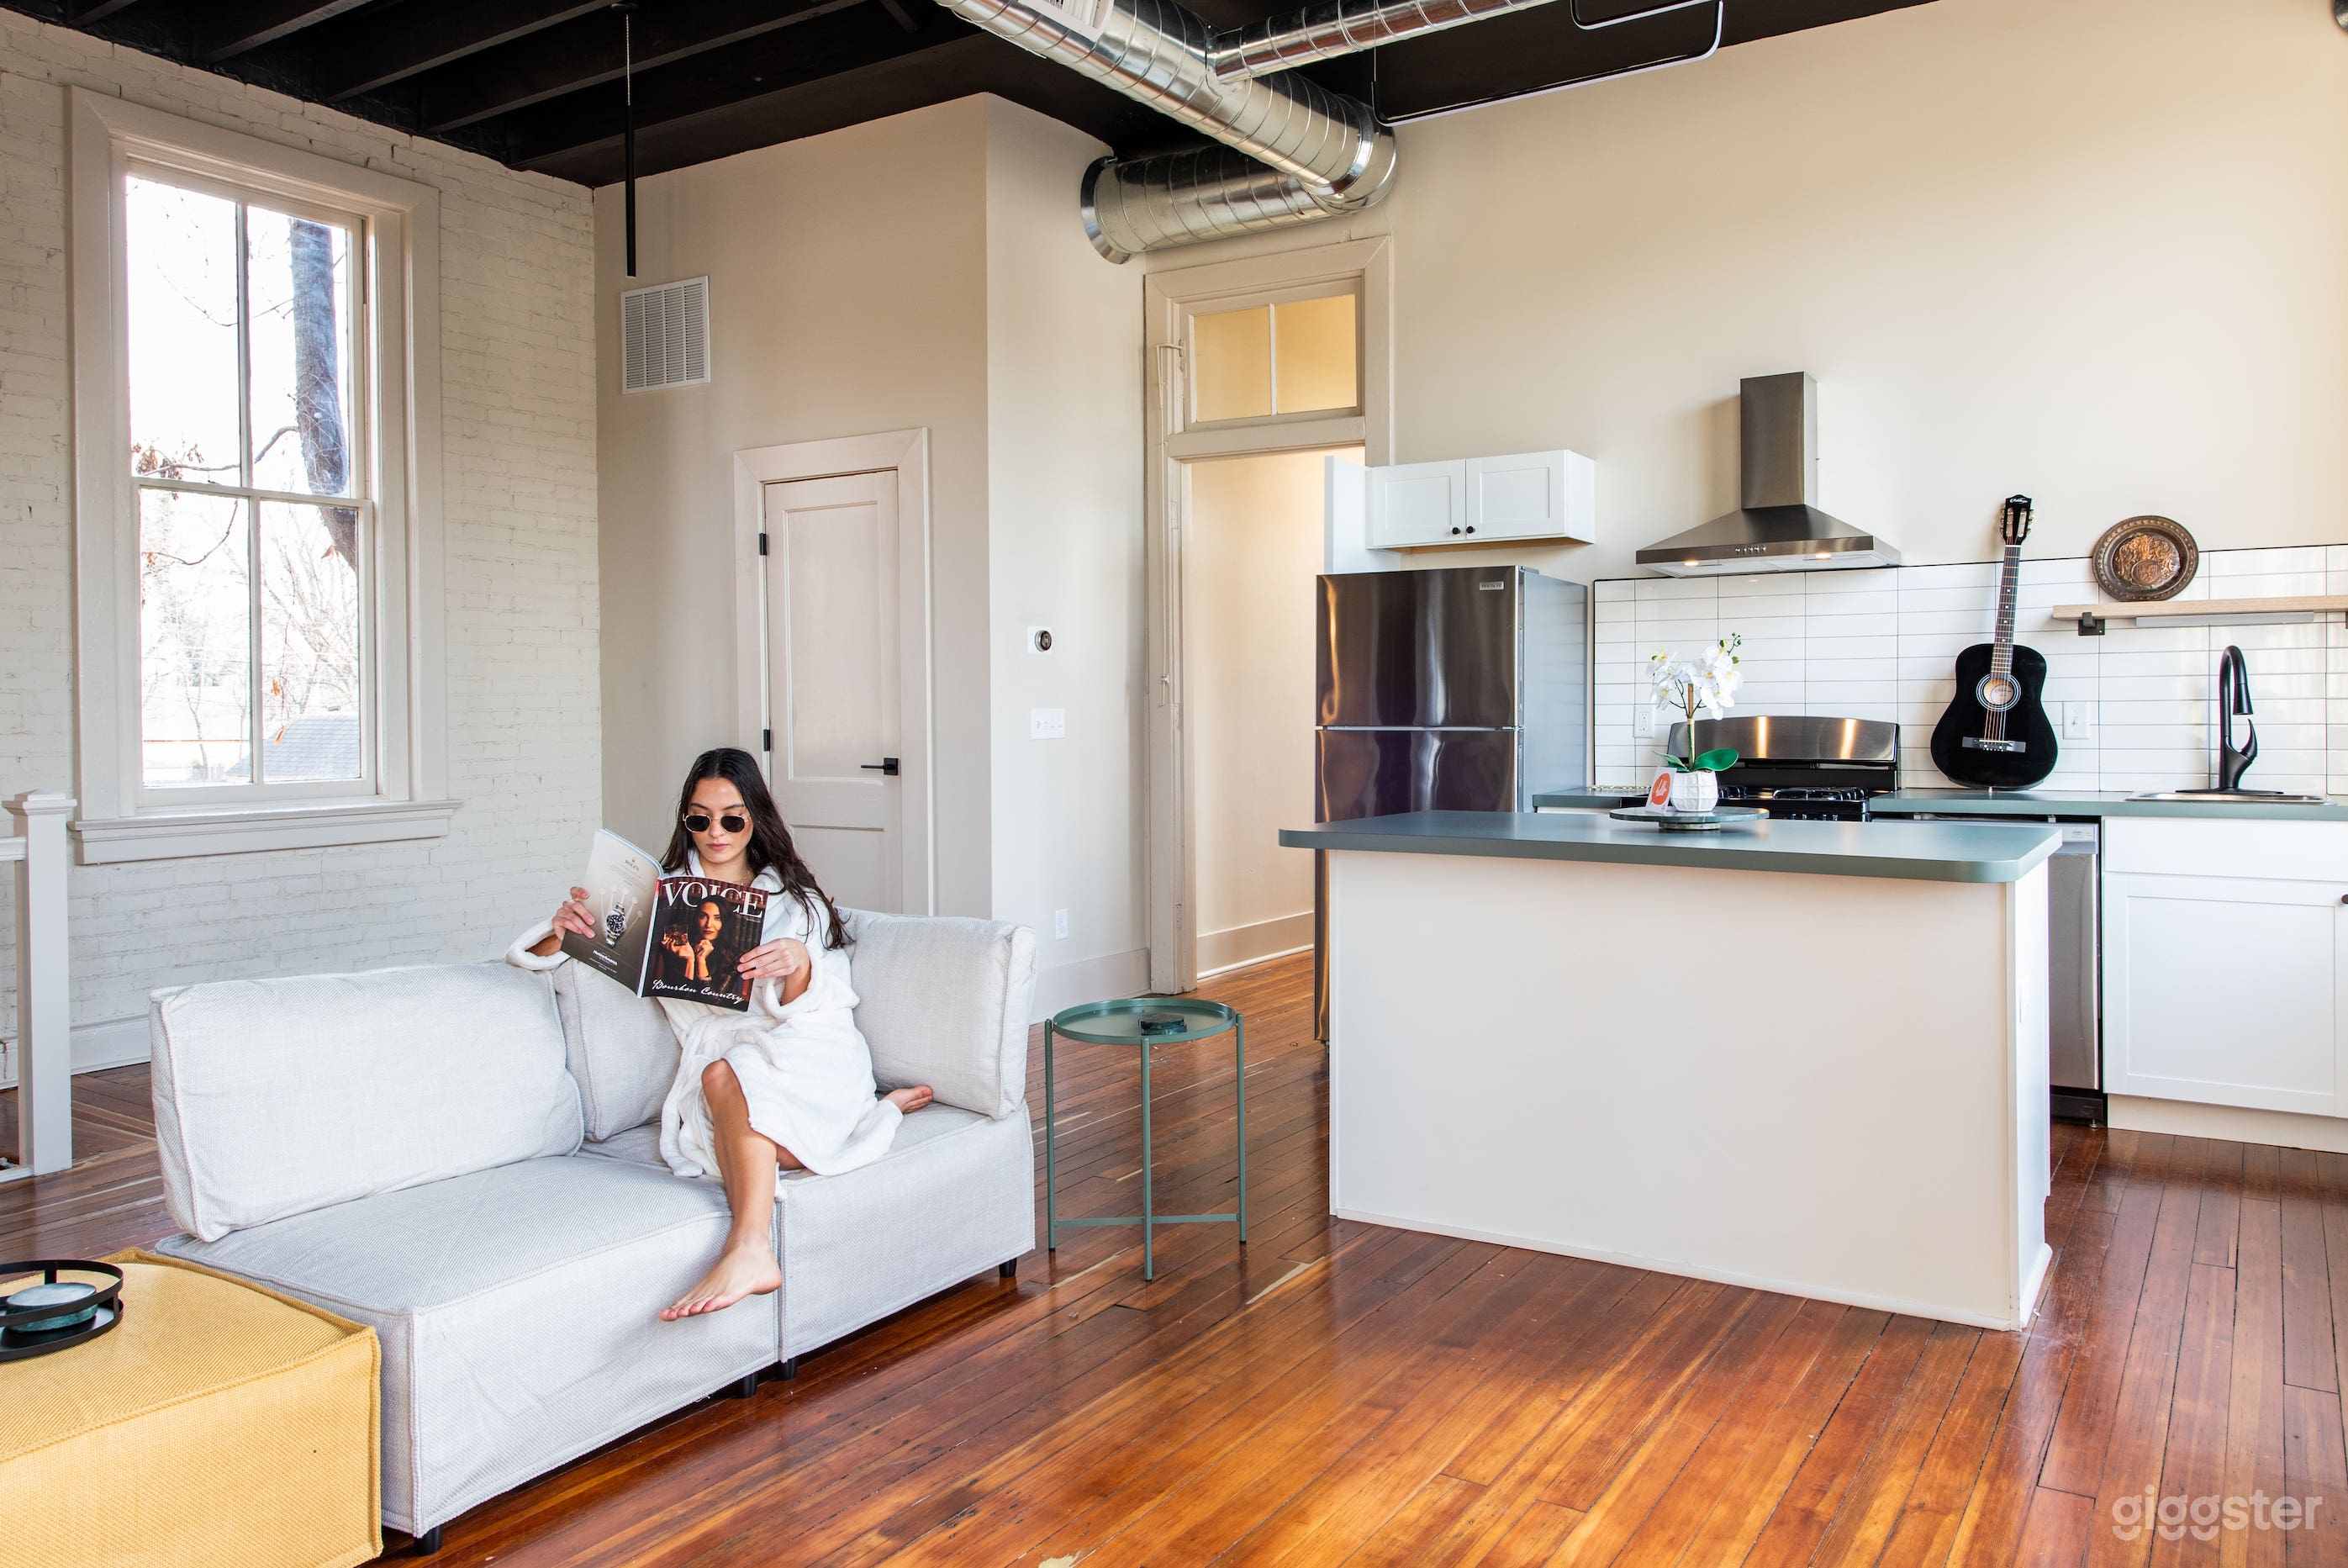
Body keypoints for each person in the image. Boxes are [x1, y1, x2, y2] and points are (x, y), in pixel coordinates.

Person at [508, 747, 933, 1321]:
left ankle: (750, 1247)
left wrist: (799, 965)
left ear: (755, 818)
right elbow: (537, 961)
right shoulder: (659, 899)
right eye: (699, 818)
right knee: (735, 1092)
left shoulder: (795, 902)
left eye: (732, 819)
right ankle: (873, 1115)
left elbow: (829, 1000)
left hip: (812, 1050)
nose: (715, 833)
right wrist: (563, 931)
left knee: (726, 1074)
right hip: (728, 1065)